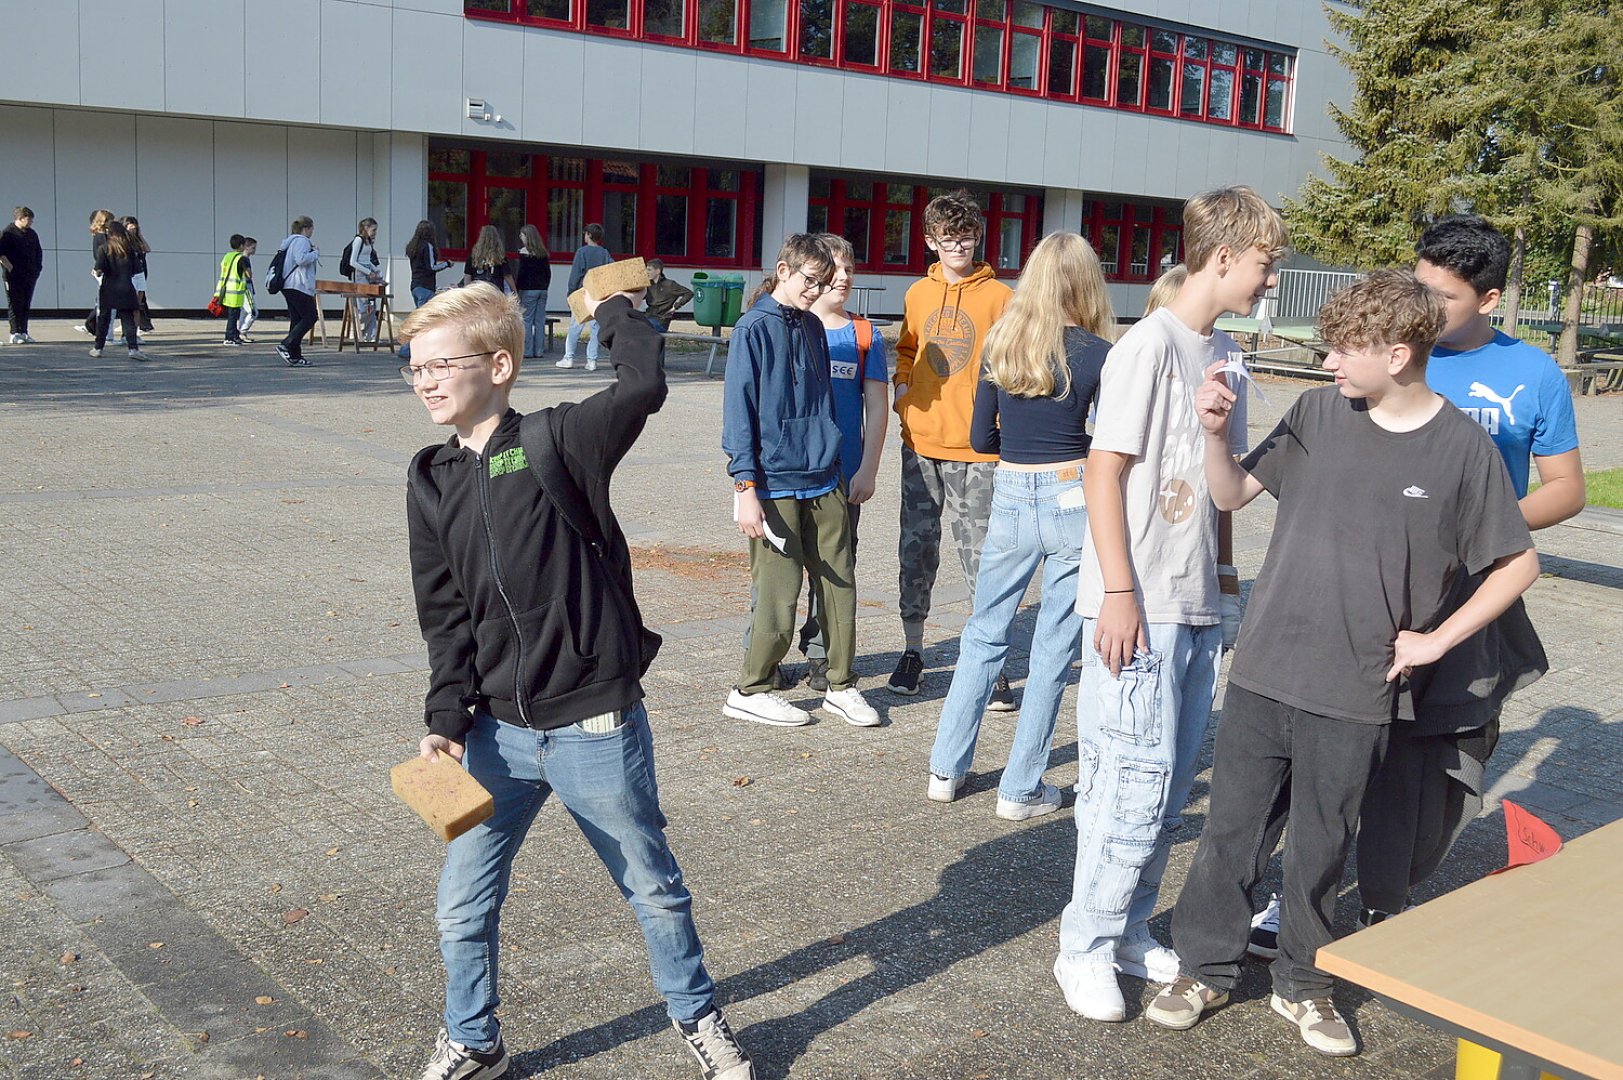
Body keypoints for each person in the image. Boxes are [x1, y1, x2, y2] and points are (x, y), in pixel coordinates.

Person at [1148, 270, 1540, 1058]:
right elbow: (1228, 498)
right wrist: (1215, 436)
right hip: (1264, 665)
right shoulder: (1317, 413)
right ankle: (1203, 969)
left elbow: (1515, 564)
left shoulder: (1461, 447)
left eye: (1342, 351)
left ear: (1397, 354)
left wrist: (1434, 641)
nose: (1327, 363)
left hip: (1357, 684)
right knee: (1232, 832)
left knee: (1324, 844)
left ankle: (1304, 984)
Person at [402, 281, 756, 1080]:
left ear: (498, 365)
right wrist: (444, 717)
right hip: (494, 734)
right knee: (461, 906)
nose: (424, 381)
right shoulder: (430, 479)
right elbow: (444, 613)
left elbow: (643, 385)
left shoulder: (559, 439)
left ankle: (698, 1019)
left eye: (439, 365)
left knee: (654, 892)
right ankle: (474, 1040)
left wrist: (612, 308)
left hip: (595, 725)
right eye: (412, 367)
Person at [1246, 216, 1588, 958]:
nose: (1424, 302)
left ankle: (1383, 899)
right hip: (1358, 600)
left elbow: (1566, 490)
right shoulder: (1378, 356)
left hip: (1462, 599)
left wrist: (1471, 530)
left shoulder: (1531, 375)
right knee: (1313, 756)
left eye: (1445, 295)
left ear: (1490, 298)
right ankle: (1280, 895)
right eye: (1419, 285)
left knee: (1426, 765)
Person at [1053, 186, 1282, 1024]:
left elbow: (1219, 493)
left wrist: (1222, 588)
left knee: (1170, 775)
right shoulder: (1145, 347)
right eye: (1263, 264)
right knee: (1127, 779)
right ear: (1222, 256)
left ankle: (1123, 928)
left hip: (1190, 604)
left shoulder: (1224, 353)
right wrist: (1117, 591)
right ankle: (1082, 942)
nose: (1268, 279)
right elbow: (1102, 472)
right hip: (1133, 602)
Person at [926, 232, 1114, 821]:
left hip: (1009, 486)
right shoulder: (1098, 353)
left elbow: (981, 439)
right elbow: (1108, 440)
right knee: (1054, 646)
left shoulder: (1001, 341)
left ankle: (946, 767)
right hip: (1070, 492)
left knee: (984, 632)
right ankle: (1020, 786)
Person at [721, 234, 879, 730]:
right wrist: (744, 487)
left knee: (840, 584)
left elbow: (823, 403)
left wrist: (836, 457)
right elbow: (738, 412)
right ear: (783, 270)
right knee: (778, 590)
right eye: (811, 281)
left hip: (824, 476)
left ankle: (841, 684)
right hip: (773, 485)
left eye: (825, 283)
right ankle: (752, 687)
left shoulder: (812, 326)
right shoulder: (752, 329)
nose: (817, 291)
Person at [888, 189, 1015, 708]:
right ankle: (913, 650)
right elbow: (907, 347)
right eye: (947, 238)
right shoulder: (918, 293)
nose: (957, 246)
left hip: (979, 452)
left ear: (979, 237)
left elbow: (1014, 364)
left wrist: (1003, 424)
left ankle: (991, 661)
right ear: (930, 241)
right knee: (915, 550)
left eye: (966, 236)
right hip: (921, 444)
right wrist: (902, 394)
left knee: (982, 559)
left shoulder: (1003, 299)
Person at [558, 223, 613, 371]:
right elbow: (611, 270)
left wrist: (570, 292)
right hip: (599, 293)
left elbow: (575, 274)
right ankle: (592, 360)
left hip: (583, 292)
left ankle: (569, 357)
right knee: (595, 327)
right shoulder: (604, 253)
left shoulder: (582, 252)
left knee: (576, 325)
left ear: (588, 235)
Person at [90, 221, 148, 361]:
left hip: (109, 287)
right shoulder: (129, 250)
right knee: (128, 320)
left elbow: (99, 269)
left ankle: (98, 348)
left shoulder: (104, 248)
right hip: (127, 288)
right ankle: (133, 349)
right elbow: (136, 270)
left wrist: (95, 272)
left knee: (104, 319)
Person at [275, 216, 320, 367]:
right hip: (298, 285)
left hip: (288, 285)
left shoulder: (289, 242)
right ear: (306, 228)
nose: (312, 231)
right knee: (311, 316)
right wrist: (315, 253)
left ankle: (295, 355)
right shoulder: (301, 241)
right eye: (312, 228)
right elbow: (301, 259)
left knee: (296, 320)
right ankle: (286, 344)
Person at [1, 206, 43, 344]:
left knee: (26, 303)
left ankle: (24, 331)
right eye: (28, 220)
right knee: (15, 303)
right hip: (14, 276)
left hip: (30, 274)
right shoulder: (8, 233)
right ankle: (14, 333)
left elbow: (38, 251)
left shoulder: (31, 234)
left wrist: (37, 269)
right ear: (20, 218)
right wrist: (11, 268)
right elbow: (2, 254)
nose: (30, 223)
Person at [515, 224, 552, 357]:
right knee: (540, 321)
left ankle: (528, 351)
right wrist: (545, 286)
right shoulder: (543, 253)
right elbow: (548, 273)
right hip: (542, 289)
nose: (520, 237)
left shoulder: (524, 253)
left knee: (527, 320)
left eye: (522, 235)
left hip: (529, 289)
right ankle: (539, 350)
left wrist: (517, 289)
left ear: (527, 237)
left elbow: (522, 274)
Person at [345, 217, 384, 341]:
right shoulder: (358, 240)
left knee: (371, 304)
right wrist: (368, 272)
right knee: (363, 305)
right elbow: (353, 261)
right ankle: (358, 331)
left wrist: (375, 271)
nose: (375, 233)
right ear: (366, 228)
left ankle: (370, 334)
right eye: (373, 230)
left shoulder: (367, 242)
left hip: (367, 274)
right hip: (360, 275)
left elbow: (366, 260)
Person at [79, 209, 115, 336]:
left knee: (103, 299)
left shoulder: (105, 235)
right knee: (105, 301)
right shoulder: (100, 236)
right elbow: (99, 255)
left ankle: (92, 324)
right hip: (104, 270)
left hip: (105, 269)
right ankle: (95, 327)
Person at [216, 234, 253, 346]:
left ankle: (235, 336)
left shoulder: (227, 256)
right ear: (241, 246)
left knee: (232, 315)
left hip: (225, 289)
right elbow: (248, 275)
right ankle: (229, 337)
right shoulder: (240, 258)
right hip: (235, 291)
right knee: (233, 316)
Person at [406, 219, 452, 309]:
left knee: (419, 313)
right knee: (426, 317)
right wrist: (447, 264)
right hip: (426, 286)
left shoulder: (413, 246)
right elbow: (431, 267)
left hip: (415, 286)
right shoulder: (427, 246)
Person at [122, 215, 155, 334]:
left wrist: (139, 235)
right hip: (129, 272)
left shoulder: (137, 240)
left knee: (140, 299)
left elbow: (147, 249)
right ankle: (133, 325)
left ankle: (142, 325)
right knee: (129, 300)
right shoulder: (123, 240)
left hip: (140, 271)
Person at [461, 225, 513, 294]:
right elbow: (507, 276)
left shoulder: (472, 257)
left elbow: (467, 277)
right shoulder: (500, 258)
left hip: (477, 291)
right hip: (495, 292)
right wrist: (514, 291)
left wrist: (466, 293)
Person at [644, 258, 693, 330]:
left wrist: (676, 307)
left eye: (649, 270)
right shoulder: (648, 285)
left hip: (660, 322)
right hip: (648, 317)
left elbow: (689, 293)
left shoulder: (669, 284)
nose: (646, 272)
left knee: (642, 327)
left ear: (657, 271)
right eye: (646, 270)